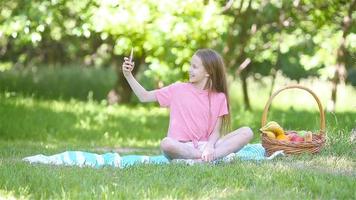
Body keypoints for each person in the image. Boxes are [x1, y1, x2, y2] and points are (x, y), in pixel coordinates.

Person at [122, 48, 253, 162]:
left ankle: (203, 159)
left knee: (247, 132)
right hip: (181, 148)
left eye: (195, 67)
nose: (190, 70)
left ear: (208, 72)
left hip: (207, 146)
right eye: (190, 65)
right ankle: (205, 159)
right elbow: (144, 96)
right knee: (166, 143)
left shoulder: (219, 97)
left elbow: (216, 132)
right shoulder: (177, 89)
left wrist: (209, 147)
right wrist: (128, 75)